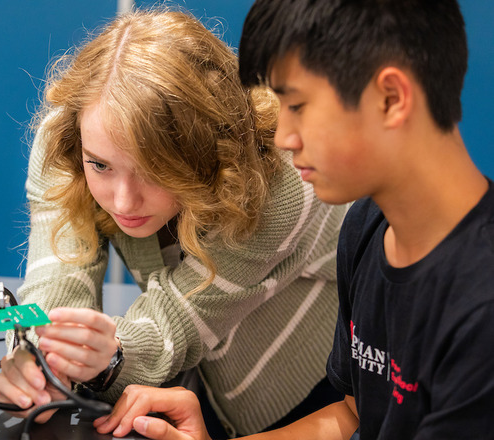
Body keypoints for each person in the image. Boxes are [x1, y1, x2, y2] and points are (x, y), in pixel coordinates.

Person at [94, 1, 494, 439]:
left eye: (298, 106)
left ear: (391, 98)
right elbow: (350, 417)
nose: (284, 136)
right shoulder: (367, 228)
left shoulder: (481, 304)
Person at [0, 9, 349, 437]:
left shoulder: (279, 181)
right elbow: (60, 269)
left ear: (210, 147)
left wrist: (110, 360)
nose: (123, 201)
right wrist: (37, 363)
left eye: (152, 170)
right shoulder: (70, 136)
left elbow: (177, 321)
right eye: (101, 166)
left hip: (302, 389)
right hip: (194, 388)